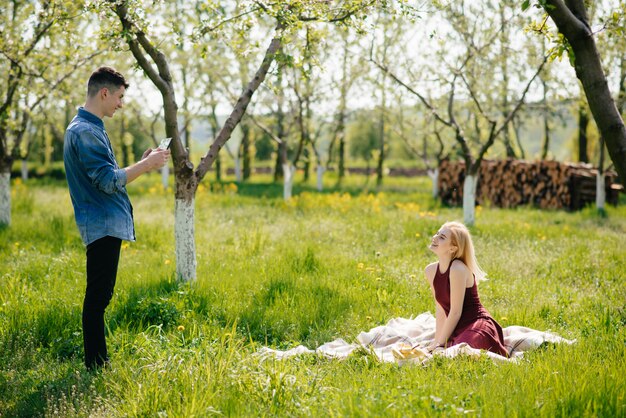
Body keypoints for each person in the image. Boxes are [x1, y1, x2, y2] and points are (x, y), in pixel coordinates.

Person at [64, 66, 170, 370]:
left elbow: (105, 174)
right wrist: (147, 166)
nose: (121, 104)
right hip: (101, 223)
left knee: (99, 295)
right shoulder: (85, 131)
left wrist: (142, 162)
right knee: (98, 298)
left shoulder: (89, 127)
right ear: (104, 92)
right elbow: (108, 181)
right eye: (119, 97)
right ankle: (96, 364)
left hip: (102, 221)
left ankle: (97, 361)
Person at [424, 221, 508, 357]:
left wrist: (440, 343)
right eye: (437, 234)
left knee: (461, 351)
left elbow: (455, 312)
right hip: (457, 327)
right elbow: (440, 309)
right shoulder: (430, 270)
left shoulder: (457, 269)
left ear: (453, 248)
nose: (434, 237)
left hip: (476, 325)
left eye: (442, 237)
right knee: (445, 351)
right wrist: (437, 341)